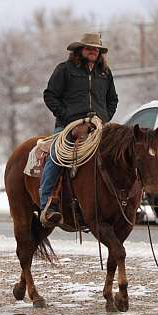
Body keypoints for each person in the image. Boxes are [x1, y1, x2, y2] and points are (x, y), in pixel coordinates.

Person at [40, 32, 118, 227]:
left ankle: (117, 202)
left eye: (97, 49)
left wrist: (103, 118)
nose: (93, 52)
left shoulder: (105, 74)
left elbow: (113, 100)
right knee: (57, 156)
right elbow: (50, 96)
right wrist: (69, 118)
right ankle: (47, 203)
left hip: (97, 127)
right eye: (89, 48)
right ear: (80, 50)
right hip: (68, 126)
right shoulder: (65, 69)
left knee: (116, 156)